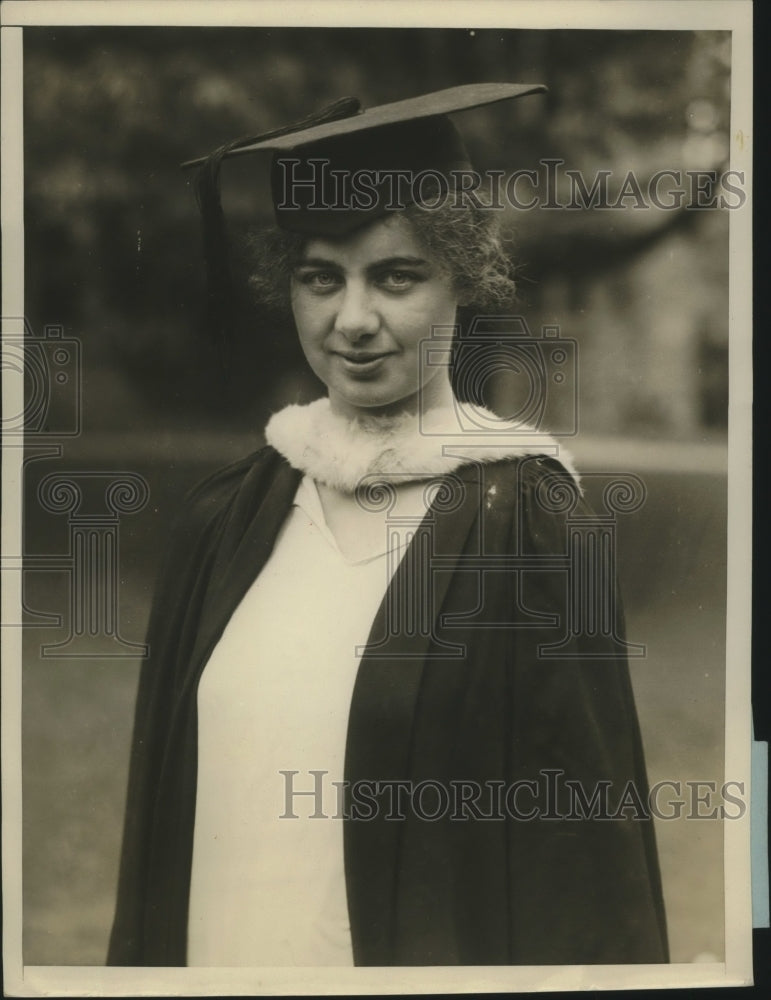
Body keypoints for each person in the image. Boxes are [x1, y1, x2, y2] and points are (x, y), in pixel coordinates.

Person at [108, 84, 669, 967]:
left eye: (396, 276)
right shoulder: (225, 519)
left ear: (465, 279)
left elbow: (585, 868)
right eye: (320, 278)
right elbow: (157, 846)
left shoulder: (531, 523)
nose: (353, 320)